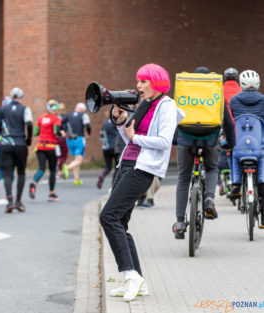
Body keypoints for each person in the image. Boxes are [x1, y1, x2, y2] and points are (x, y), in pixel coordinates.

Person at [99, 63, 185, 302]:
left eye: (143, 81)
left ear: (157, 82)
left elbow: (164, 141)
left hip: (143, 169)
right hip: (126, 163)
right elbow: (129, 140)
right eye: (138, 81)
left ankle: (130, 276)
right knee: (121, 222)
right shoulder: (145, 105)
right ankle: (137, 279)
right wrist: (122, 122)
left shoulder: (167, 106)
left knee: (108, 217)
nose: (138, 86)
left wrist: (135, 136)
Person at [172, 67, 236, 239]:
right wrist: (231, 143)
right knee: (212, 168)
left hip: (185, 137)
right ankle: (208, 198)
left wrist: (173, 138)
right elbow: (228, 122)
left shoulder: (185, 93)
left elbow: (173, 117)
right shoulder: (215, 93)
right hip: (210, 138)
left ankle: (179, 223)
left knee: (184, 177)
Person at [229, 70, 264, 228]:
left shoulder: (234, 100)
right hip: (258, 147)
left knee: (233, 152)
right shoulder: (263, 100)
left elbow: (232, 122)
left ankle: (235, 184)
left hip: (240, 146)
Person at [0, 87, 33, 213]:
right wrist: (29, 139)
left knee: (7, 174)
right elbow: (30, 124)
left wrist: (3, 133)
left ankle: (9, 201)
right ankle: (19, 202)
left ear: (11, 97)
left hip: (6, 143)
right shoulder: (25, 109)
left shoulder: (3, 109)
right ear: (21, 97)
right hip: (20, 143)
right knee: (21, 173)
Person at [28, 99, 63, 201]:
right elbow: (56, 131)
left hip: (40, 147)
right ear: (55, 108)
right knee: (53, 170)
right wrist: (62, 133)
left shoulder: (41, 118)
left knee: (41, 169)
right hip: (51, 147)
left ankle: (34, 183)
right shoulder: (56, 119)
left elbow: (35, 132)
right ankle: (51, 193)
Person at [62, 102, 91, 185]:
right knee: (79, 160)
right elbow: (87, 125)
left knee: (76, 158)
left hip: (69, 139)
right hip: (79, 138)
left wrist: (63, 131)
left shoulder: (68, 115)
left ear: (76, 108)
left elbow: (61, 122)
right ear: (83, 110)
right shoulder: (84, 115)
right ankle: (67, 168)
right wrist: (88, 133)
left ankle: (76, 178)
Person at [97, 109, 117, 189]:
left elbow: (101, 136)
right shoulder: (116, 122)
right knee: (117, 168)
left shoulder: (104, 123)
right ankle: (112, 185)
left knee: (108, 167)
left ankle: (102, 175)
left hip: (106, 148)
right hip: (115, 147)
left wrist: (105, 144)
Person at [56, 102, 69, 179]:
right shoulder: (65, 117)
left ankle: (58, 171)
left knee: (58, 155)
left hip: (56, 138)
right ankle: (59, 170)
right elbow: (62, 127)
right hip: (62, 138)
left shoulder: (57, 117)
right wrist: (62, 131)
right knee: (63, 156)